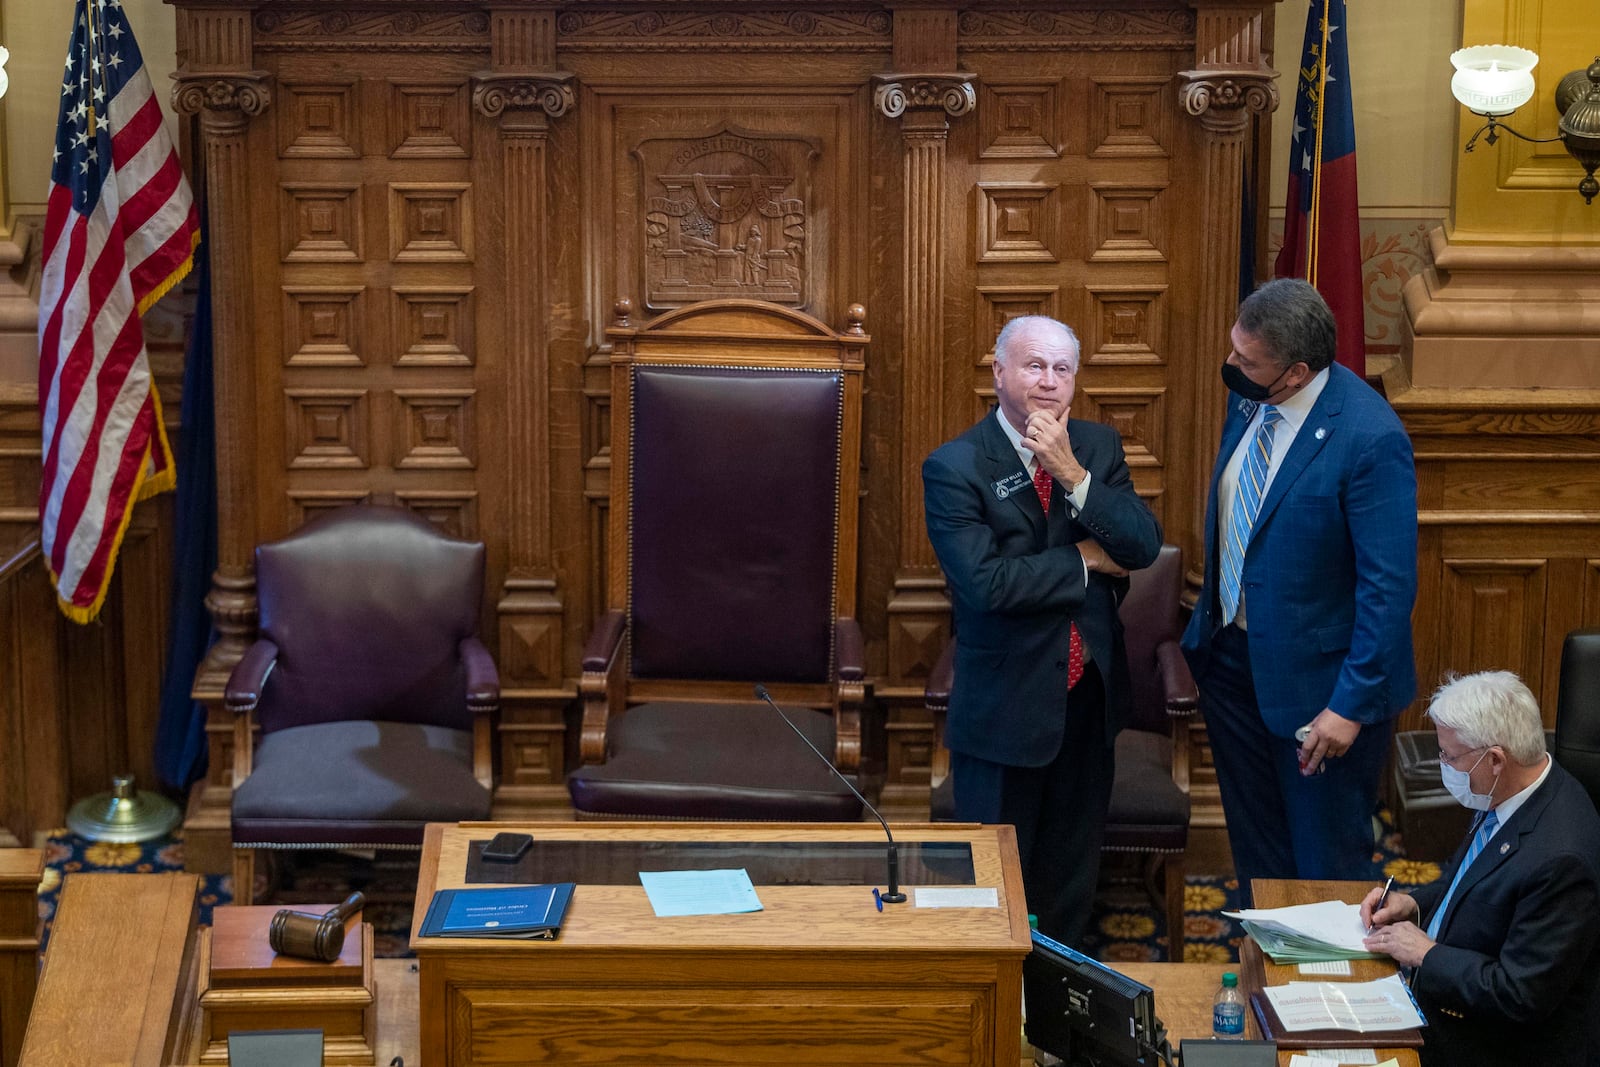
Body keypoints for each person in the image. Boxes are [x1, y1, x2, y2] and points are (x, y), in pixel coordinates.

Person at [923, 315, 1162, 946]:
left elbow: (1139, 546)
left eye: (1062, 369)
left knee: (1069, 887)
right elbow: (987, 587)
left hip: (1088, 705)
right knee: (993, 891)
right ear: (998, 372)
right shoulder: (956, 467)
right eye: (1034, 366)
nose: (1049, 382)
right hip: (1004, 712)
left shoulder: (1099, 448)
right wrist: (1085, 559)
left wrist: (1073, 474)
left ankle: (1059, 1022)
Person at [1180, 278, 1417, 901]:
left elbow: (1387, 590)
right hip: (1233, 667)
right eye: (1234, 349)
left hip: (1322, 692)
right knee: (1258, 856)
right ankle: (1267, 986)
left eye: (1246, 360)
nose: (1230, 366)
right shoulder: (1249, 399)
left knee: (1325, 864)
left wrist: (1350, 705)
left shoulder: (1370, 437)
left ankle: (1330, 996)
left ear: (1296, 371)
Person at [1360, 671, 1600, 1067]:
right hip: (1444, 999)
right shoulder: (1511, 793)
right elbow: (1474, 880)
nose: (1443, 765)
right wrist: (1413, 904)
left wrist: (1427, 954)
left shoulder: (1561, 861)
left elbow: (1519, 994)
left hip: (1491, 1046)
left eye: (1449, 757)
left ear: (1495, 760)